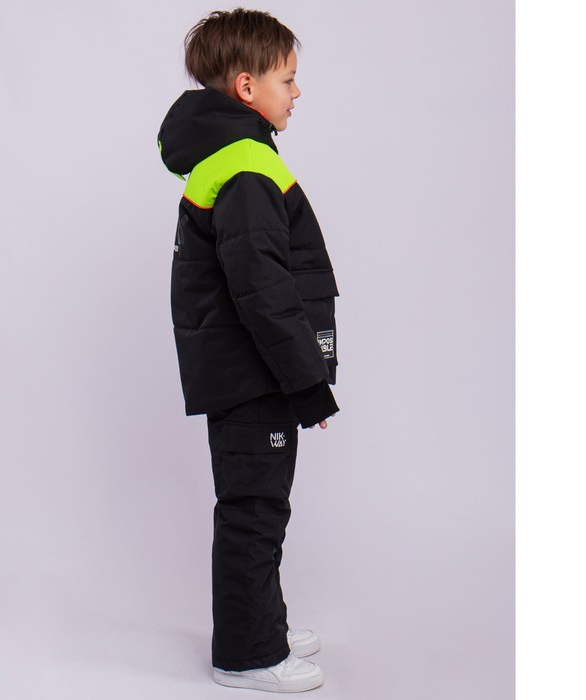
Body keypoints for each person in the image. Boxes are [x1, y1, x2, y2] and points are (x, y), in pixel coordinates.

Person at [157, 8, 340, 693]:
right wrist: (308, 382)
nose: (297, 91)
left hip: (248, 370)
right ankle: (247, 655)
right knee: (254, 511)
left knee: (257, 504)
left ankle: (261, 623)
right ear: (246, 87)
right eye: (287, 79)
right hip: (254, 374)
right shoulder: (245, 166)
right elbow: (263, 290)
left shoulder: (235, 156)